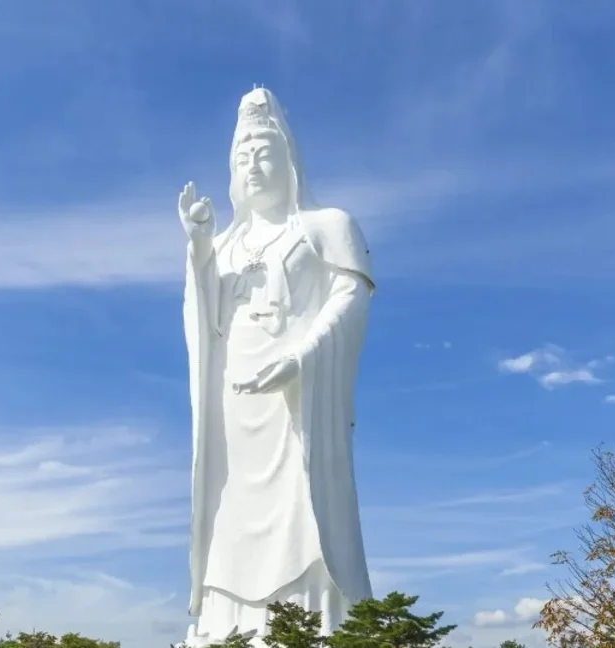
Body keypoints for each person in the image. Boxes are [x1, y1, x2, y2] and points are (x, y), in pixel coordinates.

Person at [178, 87, 375, 646]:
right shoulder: (224, 245)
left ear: (289, 161)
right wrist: (198, 248)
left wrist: (303, 356)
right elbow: (205, 320)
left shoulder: (327, 225)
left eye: (265, 153)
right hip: (235, 400)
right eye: (243, 156)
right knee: (230, 506)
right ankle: (226, 626)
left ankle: (313, 622)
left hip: (299, 398)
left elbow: (351, 296)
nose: (254, 165)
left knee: (303, 501)